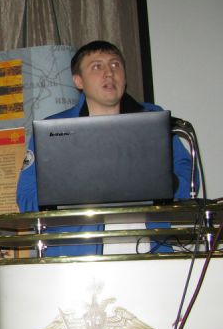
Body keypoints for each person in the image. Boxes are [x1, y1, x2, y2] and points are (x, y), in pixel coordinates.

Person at [16, 40, 195, 256]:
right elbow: (26, 198)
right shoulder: (52, 129)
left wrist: (162, 184)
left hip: (151, 254)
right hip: (77, 257)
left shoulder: (153, 119)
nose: (109, 73)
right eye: (97, 66)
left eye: (115, 65)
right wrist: (70, 193)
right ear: (78, 81)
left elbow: (188, 181)